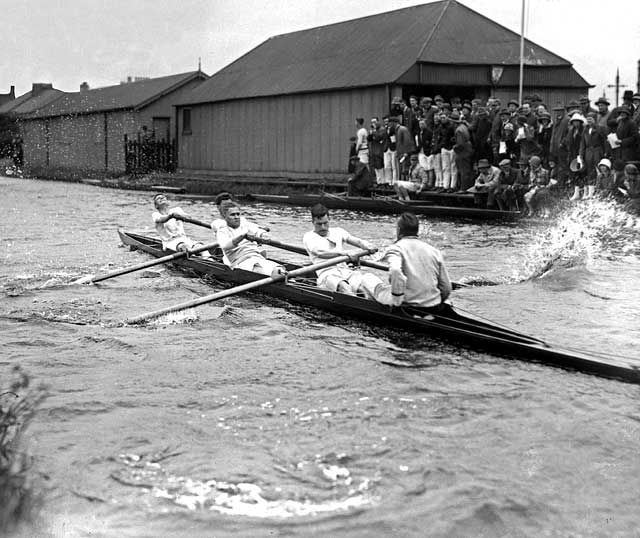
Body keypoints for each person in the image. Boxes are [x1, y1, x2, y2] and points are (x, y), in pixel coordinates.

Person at [376, 212, 452, 310]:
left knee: (367, 279)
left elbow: (395, 270)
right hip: (433, 304)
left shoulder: (395, 249)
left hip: (406, 304)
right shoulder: (434, 251)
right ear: (417, 230)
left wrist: (397, 300)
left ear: (398, 230)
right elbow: (446, 287)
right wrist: (438, 301)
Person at [303, 204, 381, 296]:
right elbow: (319, 252)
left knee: (368, 282)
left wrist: (368, 246)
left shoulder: (338, 231)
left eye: (325, 223)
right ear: (313, 222)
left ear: (329, 220)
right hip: (327, 275)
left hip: (346, 271)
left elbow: (357, 241)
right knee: (345, 287)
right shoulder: (309, 237)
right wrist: (344, 253)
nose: (323, 227)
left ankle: (389, 300)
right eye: (319, 224)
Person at [216, 200, 284, 277]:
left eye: (238, 214)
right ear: (224, 216)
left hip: (257, 257)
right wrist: (242, 236)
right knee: (259, 270)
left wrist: (263, 234)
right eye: (232, 215)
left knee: (279, 270)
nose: (236, 217)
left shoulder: (246, 225)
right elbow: (225, 246)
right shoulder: (222, 231)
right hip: (240, 261)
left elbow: (258, 231)